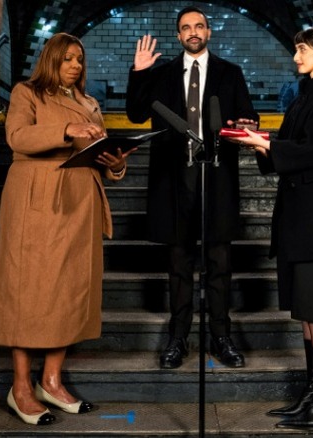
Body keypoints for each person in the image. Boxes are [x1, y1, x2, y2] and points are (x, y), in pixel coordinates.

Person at [0, 32, 135, 426]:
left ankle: (51, 381)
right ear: (51, 59)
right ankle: (21, 387)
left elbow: (102, 156)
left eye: (79, 59)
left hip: (80, 201)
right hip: (37, 198)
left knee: (70, 288)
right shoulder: (27, 92)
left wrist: (117, 163)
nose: (75, 65)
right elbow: (17, 137)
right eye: (68, 58)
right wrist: (66, 130)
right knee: (28, 289)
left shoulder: (90, 103)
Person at [125, 6, 259, 369]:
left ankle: (222, 337)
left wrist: (245, 123)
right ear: (179, 35)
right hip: (174, 177)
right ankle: (178, 338)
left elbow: (248, 115)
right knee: (179, 263)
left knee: (219, 262)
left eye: (199, 26)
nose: (193, 32)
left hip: (216, 175)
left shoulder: (231, 73)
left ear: (209, 32)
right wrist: (139, 72)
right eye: (186, 28)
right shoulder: (162, 74)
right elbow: (135, 114)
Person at [234, 26, 313, 431]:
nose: (295, 56)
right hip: (300, 215)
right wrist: (258, 141)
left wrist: (268, 145)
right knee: (306, 309)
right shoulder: (305, 95)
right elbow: (285, 148)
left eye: (302, 49)